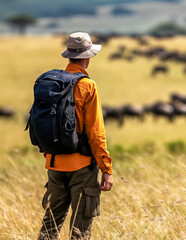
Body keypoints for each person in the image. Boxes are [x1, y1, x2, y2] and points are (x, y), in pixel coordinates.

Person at [38, 32, 113, 240]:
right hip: (81, 166)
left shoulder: (50, 83)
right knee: (80, 229)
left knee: (50, 225)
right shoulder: (88, 85)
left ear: (69, 56)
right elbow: (96, 133)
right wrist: (106, 169)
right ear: (88, 58)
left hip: (53, 163)